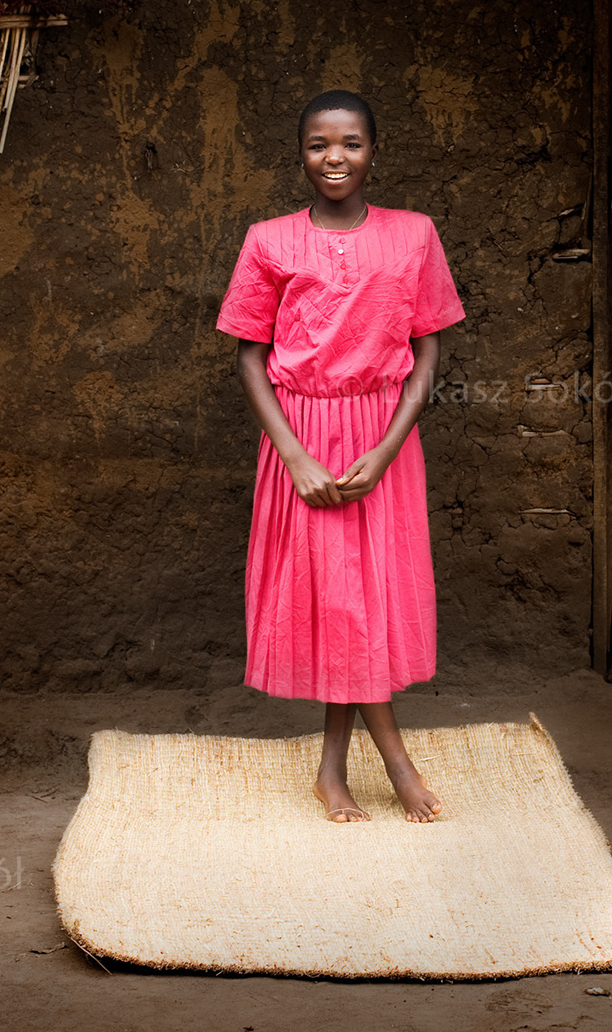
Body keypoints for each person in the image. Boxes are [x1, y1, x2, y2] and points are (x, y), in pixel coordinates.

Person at [215, 90, 464, 823]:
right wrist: (293, 456)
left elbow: (427, 352)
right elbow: (249, 359)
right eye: (319, 144)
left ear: (374, 152)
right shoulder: (269, 241)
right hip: (301, 438)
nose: (335, 157)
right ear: (301, 155)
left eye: (351, 143)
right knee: (338, 601)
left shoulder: (414, 234)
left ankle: (332, 768)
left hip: (385, 438)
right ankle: (397, 763)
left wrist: (387, 449)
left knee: (363, 601)